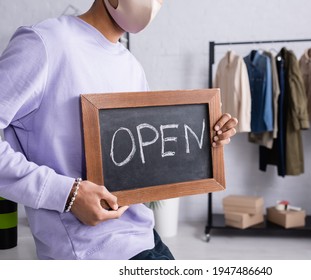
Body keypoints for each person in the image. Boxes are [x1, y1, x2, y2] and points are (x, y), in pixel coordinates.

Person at [0, 0, 238, 260]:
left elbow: (144, 158)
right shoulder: (45, 43)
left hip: (146, 237)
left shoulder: (131, 67)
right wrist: (68, 194)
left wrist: (205, 140)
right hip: (89, 253)